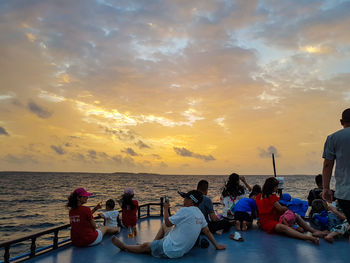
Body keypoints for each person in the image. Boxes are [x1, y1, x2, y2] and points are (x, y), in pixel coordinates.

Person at [111, 190, 226, 259]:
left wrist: (165, 209)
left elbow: (167, 221)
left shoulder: (185, 210)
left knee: (144, 246)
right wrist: (216, 246)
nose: (183, 200)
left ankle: (125, 247)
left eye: (185, 198)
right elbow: (206, 231)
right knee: (164, 227)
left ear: (191, 201)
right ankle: (153, 244)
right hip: (182, 250)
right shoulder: (199, 213)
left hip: (170, 249)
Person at [256, 177, 326, 245]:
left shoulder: (259, 196)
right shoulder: (272, 198)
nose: (277, 188)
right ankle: (309, 237)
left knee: (295, 217)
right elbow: (280, 209)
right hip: (268, 222)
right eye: (276, 186)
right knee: (284, 227)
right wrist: (287, 208)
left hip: (268, 219)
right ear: (272, 187)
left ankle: (313, 231)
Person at [322, 108, 350, 242]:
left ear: (341, 122)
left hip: (345, 193)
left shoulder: (333, 138)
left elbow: (327, 165)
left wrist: (325, 188)